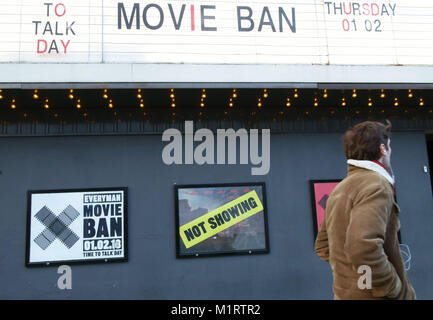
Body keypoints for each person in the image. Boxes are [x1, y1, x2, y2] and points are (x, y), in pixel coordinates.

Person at [314, 120, 416, 300]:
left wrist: (354, 274)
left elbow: (323, 246)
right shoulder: (376, 185)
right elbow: (362, 248)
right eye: (389, 147)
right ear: (383, 150)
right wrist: (390, 286)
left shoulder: (340, 189)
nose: (391, 152)